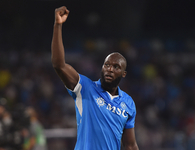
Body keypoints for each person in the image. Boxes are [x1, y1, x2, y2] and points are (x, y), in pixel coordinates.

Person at [51, 6, 139, 150]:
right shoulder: (85, 87)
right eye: (107, 65)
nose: (110, 69)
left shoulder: (128, 103)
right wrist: (58, 25)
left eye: (116, 67)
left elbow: (130, 145)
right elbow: (59, 65)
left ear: (124, 74)